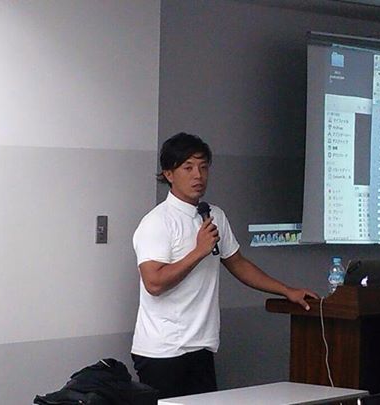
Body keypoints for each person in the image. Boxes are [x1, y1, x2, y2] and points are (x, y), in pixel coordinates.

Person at [130, 132, 319, 399]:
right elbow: (154, 283)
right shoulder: (157, 222)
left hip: (201, 345)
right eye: (188, 168)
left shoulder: (213, 215)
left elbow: (238, 263)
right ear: (169, 174)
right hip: (163, 350)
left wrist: (286, 290)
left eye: (203, 167)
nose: (198, 176)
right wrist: (199, 251)